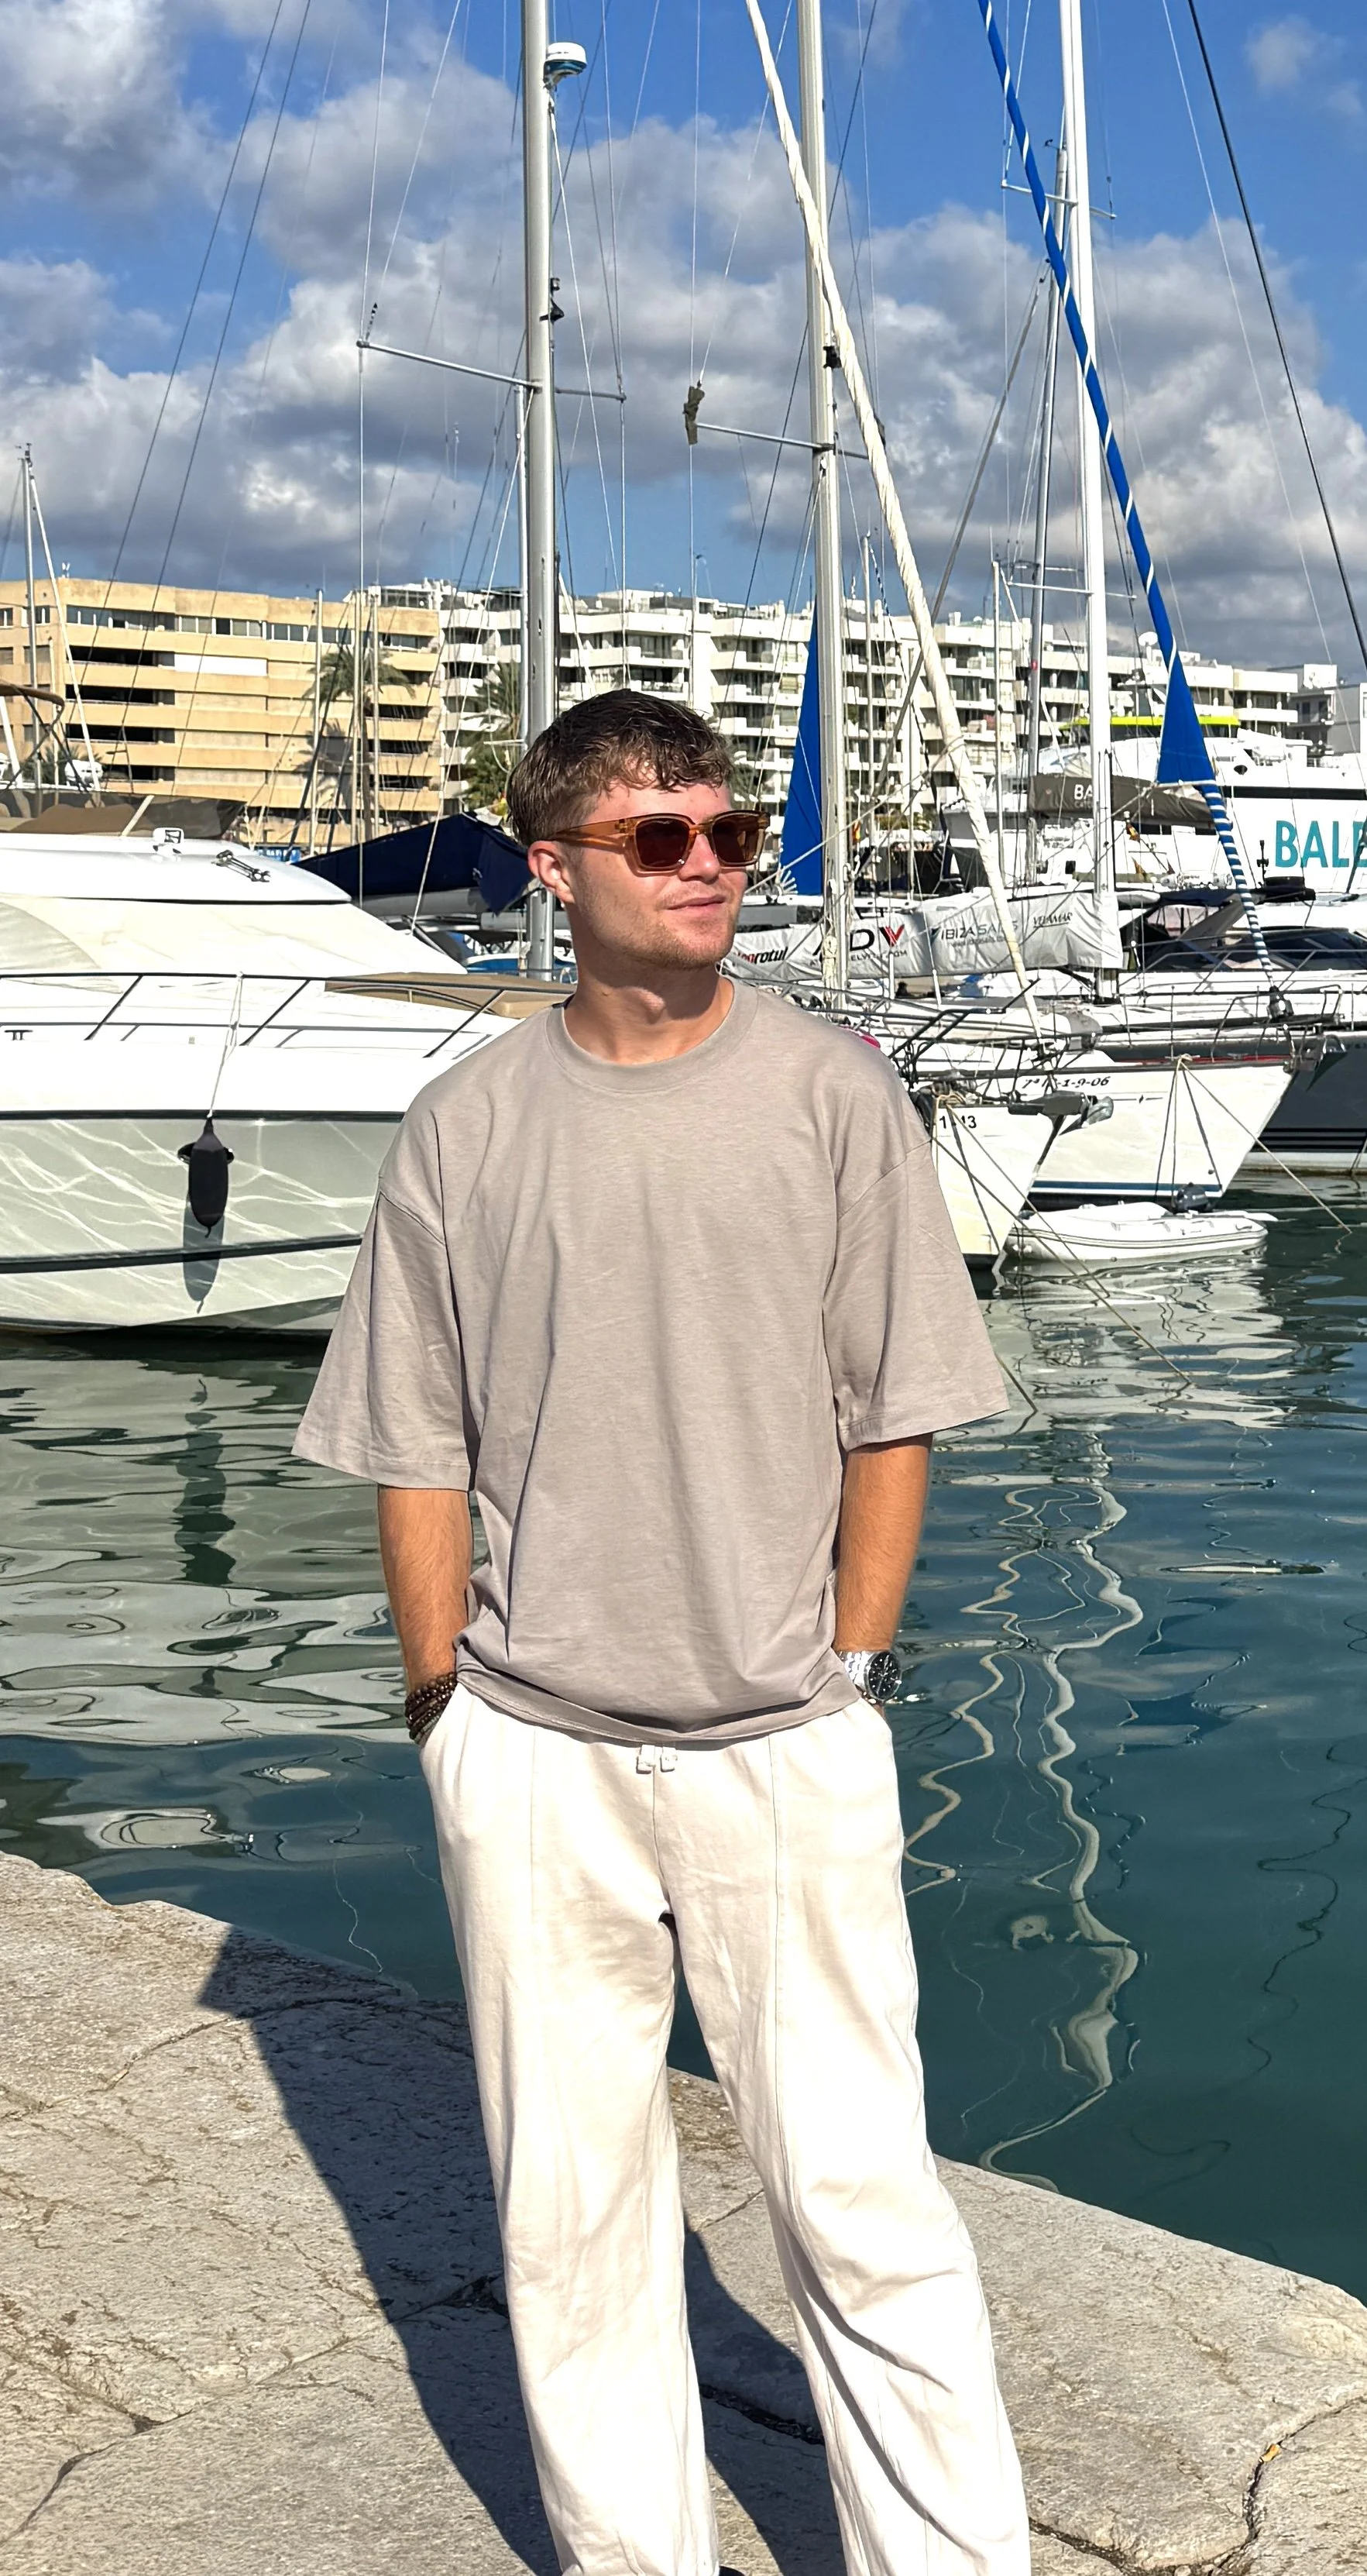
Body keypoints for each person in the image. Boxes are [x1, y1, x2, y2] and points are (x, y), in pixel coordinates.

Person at [294, 690, 1029, 2576]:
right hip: (533, 1750)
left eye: (728, 833)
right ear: (555, 871)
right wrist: (444, 1705)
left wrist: (853, 1670)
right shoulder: (463, 1131)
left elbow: (897, 1411)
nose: (710, 867)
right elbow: (415, 1444)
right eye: (661, 839)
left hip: (787, 1736)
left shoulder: (833, 1095)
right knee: (574, 2216)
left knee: (862, 2204)